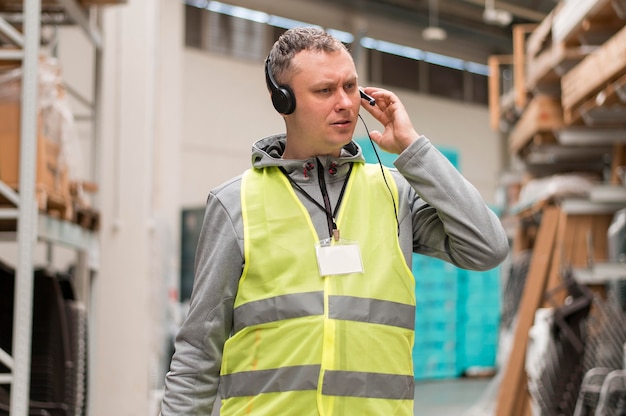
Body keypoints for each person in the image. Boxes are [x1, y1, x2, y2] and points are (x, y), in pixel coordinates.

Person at [161, 26, 509, 415]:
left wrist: (413, 149)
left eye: (350, 87)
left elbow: (488, 247)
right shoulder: (236, 203)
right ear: (284, 100)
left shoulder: (395, 194)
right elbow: (198, 353)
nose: (345, 103)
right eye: (325, 91)